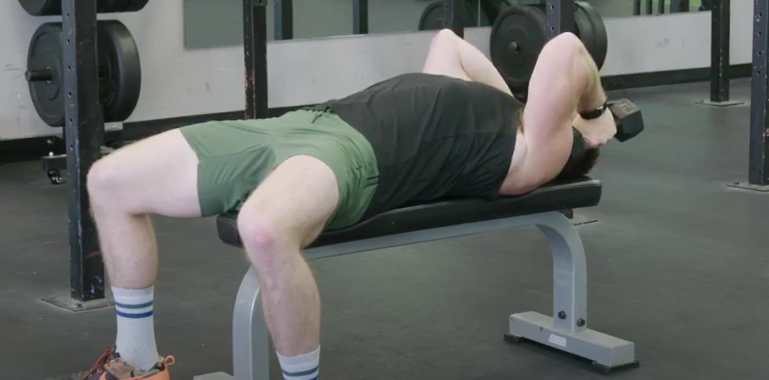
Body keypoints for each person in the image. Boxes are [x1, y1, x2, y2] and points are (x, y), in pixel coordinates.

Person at [76, 29, 616, 380]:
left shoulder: (538, 155)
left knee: (264, 229)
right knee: (108, 180)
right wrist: (510, 100)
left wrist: (598, 112)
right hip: (301, 124)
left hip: (350, 156)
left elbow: (565, 49)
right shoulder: (503, 116)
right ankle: (138, 365)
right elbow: (449, 43)